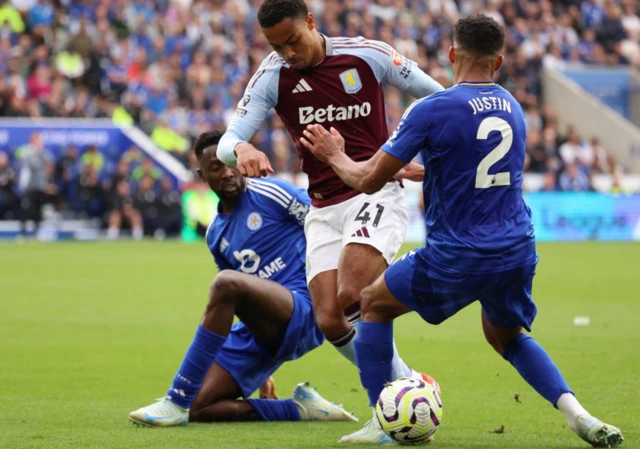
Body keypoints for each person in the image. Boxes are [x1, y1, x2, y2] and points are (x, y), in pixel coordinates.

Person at [301, 15, 624, 448]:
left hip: (458, 252)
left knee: (371, 302)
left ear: (452, 54)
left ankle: (382, 420)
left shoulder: (432, 108)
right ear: (500, 60)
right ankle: (577, 414)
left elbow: (368, 180)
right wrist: (428, 169)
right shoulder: (513, 107)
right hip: (515, 248)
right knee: (506, 336)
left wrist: (335, 154)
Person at [217, 3, 444, 436]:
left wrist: (405, 154)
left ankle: (389, 408)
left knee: (353, 293)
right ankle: (405, 392)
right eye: (275, 46)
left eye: (292, 41)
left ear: (311, 23)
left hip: (372, 190)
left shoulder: (368, 55)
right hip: (322, 208)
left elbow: (439, 97)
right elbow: (229, 140)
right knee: (328, 318)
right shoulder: (272, 76)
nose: (287, 53)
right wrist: (242, 150)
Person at [129, 130, 357, 427]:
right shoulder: (215, 235)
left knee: (226, 283)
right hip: (263, 331)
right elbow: (243, 301)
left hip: (303, 308)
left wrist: (343, 289)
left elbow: (329, 224)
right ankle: (299, 408)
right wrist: (264, 369)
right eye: (215, 169)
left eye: (229, 163)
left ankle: (175, 399)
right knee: (199, 408)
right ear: (202, 175)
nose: (226, 173)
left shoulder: (271, 193)